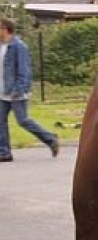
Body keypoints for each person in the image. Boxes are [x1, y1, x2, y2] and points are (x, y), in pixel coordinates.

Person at [0, 17, 59, 162]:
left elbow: (24, 71)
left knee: (23, 120)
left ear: (5, 29)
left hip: (16, 92)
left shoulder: (19, 46)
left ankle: (50, 139)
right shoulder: (2, 46)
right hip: (3, 92)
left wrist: (19, 89)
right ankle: (4, 152)